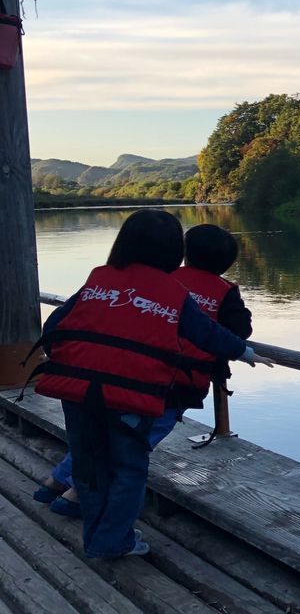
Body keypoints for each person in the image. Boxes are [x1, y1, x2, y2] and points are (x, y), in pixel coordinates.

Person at [28, 210, 272, 559]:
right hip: (132, 396)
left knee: (89, 462)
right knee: (128, 469)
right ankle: (111, 541)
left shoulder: (99, 279)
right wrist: (244, 352)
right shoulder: (171, 291)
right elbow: (208, 334)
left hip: (78, 389)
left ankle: (90, 527)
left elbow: (54, 326)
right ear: (174, 251)